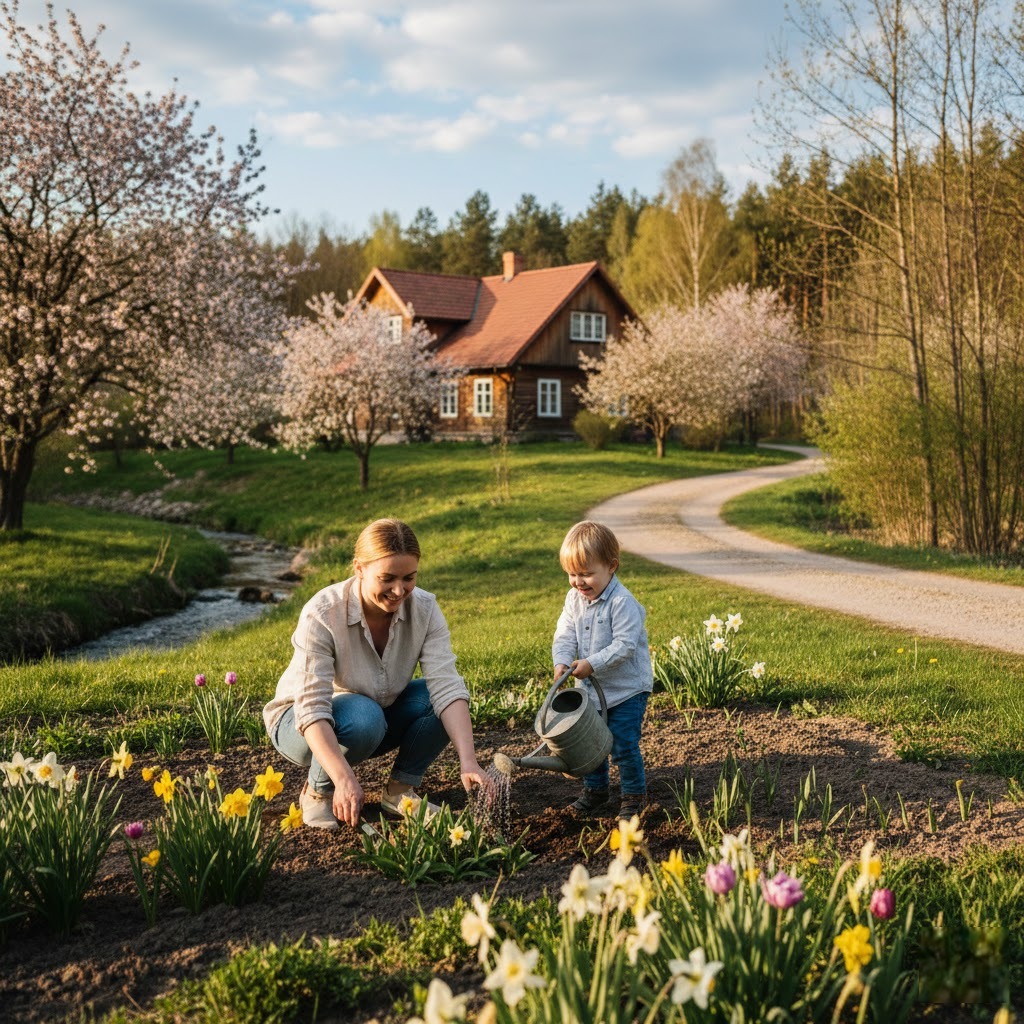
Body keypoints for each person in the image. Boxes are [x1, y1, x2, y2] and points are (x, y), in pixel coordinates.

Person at [264, 518, 490, 831]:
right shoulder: (323, 612)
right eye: (387, 578)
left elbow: (447, 686)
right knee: (363, 716)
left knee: (435, 699)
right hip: (299, 724)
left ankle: (399, 792)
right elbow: (312, 708)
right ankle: (318, 792)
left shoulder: (424, 609)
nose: (400, 591)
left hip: (372, 714)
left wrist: (469, 760)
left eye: (409, 578)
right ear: (359, 568)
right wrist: (344, 779)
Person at [552, 520, 653, 819]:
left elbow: (625, 646)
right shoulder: (574, 599)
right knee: (590, 743)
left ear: (611, 567)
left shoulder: (623, 603)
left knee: (622, 744)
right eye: (571, 574)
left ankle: (634, 796)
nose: (578, 582)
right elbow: (565, 633)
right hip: (592, 692)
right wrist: (562, 660)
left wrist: (591, 663)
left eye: (585, 574)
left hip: (626, 691)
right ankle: (595, 792)